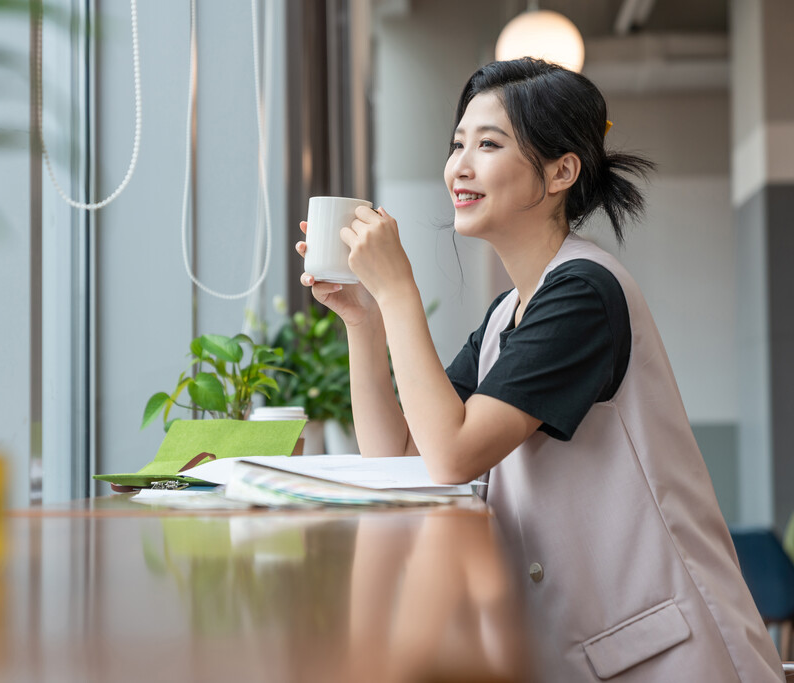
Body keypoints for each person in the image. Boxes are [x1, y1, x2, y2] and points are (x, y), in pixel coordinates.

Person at [296, 58, 783, 682]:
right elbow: (398, 455)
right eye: (457, 144)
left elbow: (451, 456)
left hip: (671, 658)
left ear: (561, 171)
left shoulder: (583, 291)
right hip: (593, 649)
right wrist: (363, 318)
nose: (460, 166)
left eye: (489, 144)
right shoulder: (509, 313)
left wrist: (398, 293)